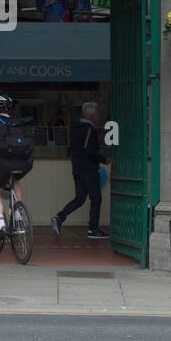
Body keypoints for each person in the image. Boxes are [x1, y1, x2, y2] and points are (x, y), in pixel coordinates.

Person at [51, 101, 112, 239]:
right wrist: (104, 160)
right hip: (89, 170)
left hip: (77, 169)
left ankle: (59, 217)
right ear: (92, 115)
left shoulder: (75, 128)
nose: (99, 116)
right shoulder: (89, 130)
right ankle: (93, 229)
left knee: (79, 198)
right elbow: (90, 152)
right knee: (96, 199)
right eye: (97, 113)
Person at [0, 94, 33, 233]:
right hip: (24, 163)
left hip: (4, 162)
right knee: (15, 182)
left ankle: (2, 225)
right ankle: (18, 215)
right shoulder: (19, 122)